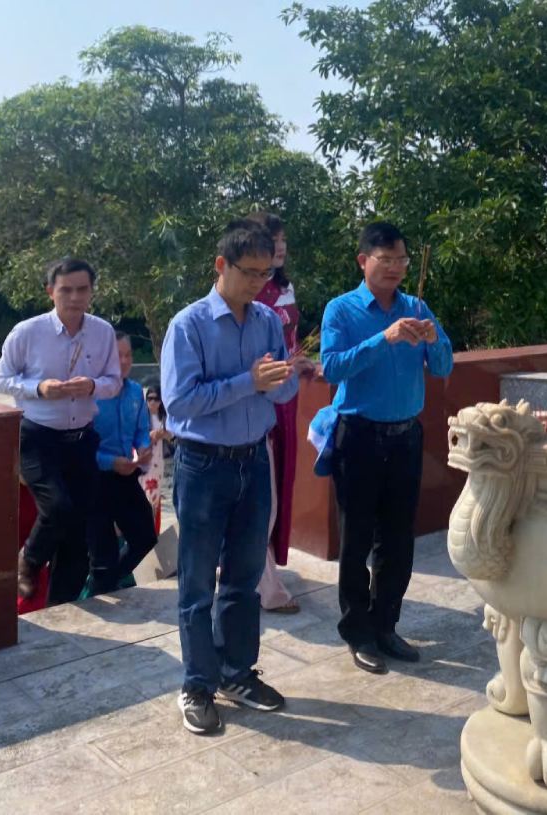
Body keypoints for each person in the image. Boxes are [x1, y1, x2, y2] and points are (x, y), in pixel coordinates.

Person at [160, 219, 299, 735]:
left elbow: (279, 392)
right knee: (197, 583)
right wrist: (249, 382)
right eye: (249, 273)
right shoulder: (189, 325)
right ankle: (197, 682)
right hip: (202, 465)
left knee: (242, 579)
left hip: (252, 459)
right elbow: (181, 402)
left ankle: (237, 672)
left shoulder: (266, 320)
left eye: (267, 273)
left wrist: (286, 378)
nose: (259, 283)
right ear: (221, 266)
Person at [319, 221, 453, 674]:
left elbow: (444, 365)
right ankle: (358, 632)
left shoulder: (417, 305)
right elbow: (332, 368)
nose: (396, 268)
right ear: (364, 261)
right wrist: (386, 337)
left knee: (398, 540)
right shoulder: (341, 310)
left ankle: (386, 625)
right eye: (386, 259)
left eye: (402, 260)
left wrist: (434, 339)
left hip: (405, 436)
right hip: (358, 435)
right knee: (356, 539)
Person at [0, 258, 122, 605]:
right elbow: (0, 378)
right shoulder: (28, 332)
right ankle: (29, 559)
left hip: (81, 439)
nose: (74, 297)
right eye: (66, 290)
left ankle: (61, 605)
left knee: (78, 534)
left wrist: (92, 385)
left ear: (92, 292)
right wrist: (40, 388)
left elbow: (114, 382)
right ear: (51, 291)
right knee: (58, 508)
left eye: (82, 289)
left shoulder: (102, 332)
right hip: (38, 437)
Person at [246, 211, 316, 613]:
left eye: (283, 239)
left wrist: (297, 361)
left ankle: (255, 568)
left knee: (278, 484)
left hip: (287, 397)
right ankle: (265, 584)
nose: (281, 246)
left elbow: (287, 344)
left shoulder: (282, 288)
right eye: (273, 239)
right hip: (259, 398)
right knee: (263, 494)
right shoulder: (247, 295)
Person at [85, 331, 158, 596]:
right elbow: (81, 447)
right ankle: (100, 586)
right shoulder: (90, 395)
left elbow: (141, 430)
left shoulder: (137, 392)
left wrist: (142, 447)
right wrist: (109, 462)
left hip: (126, 474)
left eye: (128, 355)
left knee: (146, 538)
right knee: (101, 555)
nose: (125, 361)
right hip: (95, 479)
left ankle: (105, 584)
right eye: (118, 356)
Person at [140, 379, 172, 535]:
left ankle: (153, 531)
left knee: (155, 496)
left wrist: (163, 433)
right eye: (149, 398)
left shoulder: (164, 418)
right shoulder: (141, 418)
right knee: (142, 495)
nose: (152, 402)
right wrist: (151, 435)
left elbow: (172, 436)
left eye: (156, 398)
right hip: (143, 462)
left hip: (158, 463)